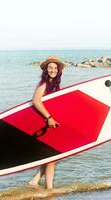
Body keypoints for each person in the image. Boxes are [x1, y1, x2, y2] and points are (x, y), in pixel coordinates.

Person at [28, 56, 65, 189]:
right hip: (45, 122)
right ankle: (50, 188)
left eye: (55, 68)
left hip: (51, 123)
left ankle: (34, 181)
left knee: (52, 157)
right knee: (52, 157)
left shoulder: (54, 84)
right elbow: (36, 101)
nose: (53, 70)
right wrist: (49, 118)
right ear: (46, 69)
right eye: (50, 67)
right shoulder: (43, 83)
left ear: (58, 70)